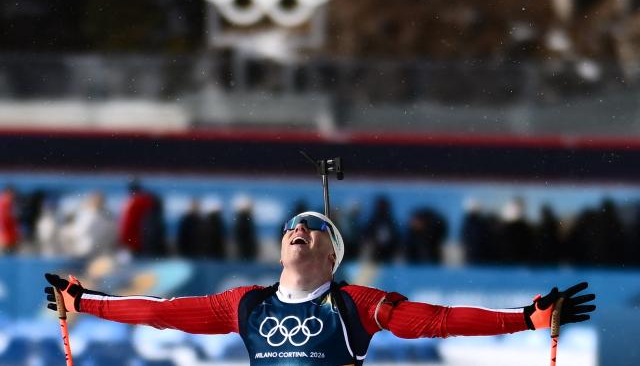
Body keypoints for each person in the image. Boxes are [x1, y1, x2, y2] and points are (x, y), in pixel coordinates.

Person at [44, 211, 596, 365]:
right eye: (290, 227)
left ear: (332, 255)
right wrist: (86, 302)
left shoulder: (356, 304)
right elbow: (161, 312)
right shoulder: (246, 305)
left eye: (311, 229)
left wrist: (527, 318)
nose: (297, 230)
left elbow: (442, 321)